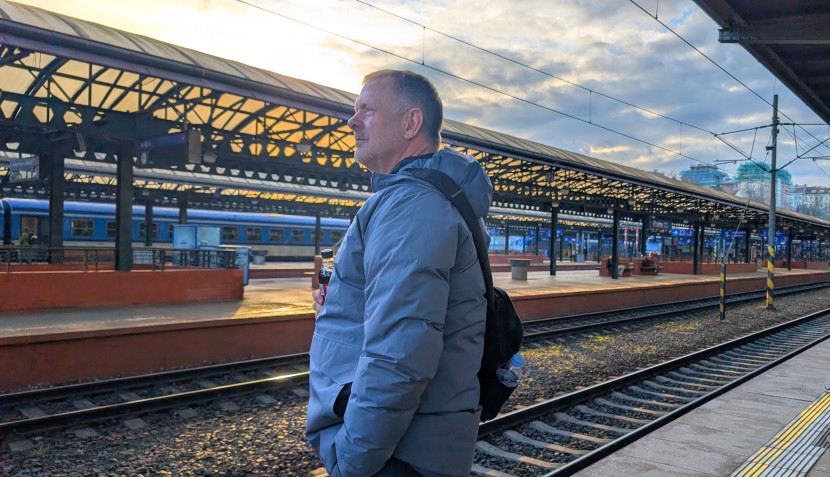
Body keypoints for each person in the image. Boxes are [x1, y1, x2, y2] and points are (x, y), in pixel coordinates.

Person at [306, 70, 493, 477]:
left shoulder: (411, 207)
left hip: (399, 458)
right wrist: (341, 305)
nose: (353, 121)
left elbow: (399, 357)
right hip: (419, 444)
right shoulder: (430, 200)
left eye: (367, 110)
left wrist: (351, 463)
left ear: (410, 123)